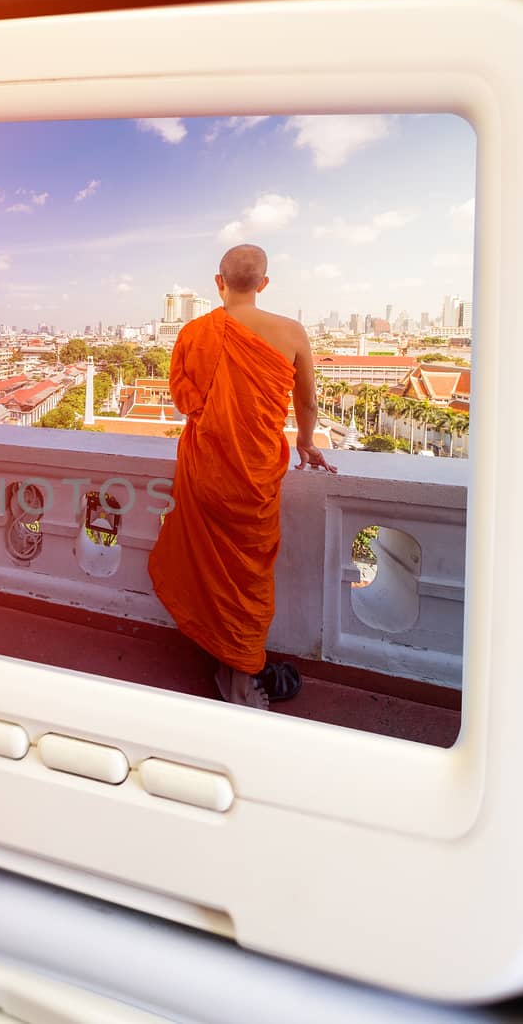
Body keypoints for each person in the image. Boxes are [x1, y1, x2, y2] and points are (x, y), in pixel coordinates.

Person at [147, 244, 336, 709]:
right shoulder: (291, 332)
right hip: (253, 478)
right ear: (264, 284)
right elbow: (307, 403)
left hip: (205, 472)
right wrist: (307, 443)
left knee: (210, 569)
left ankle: (228, 661)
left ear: (219, 282)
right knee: (247, 577)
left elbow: (184, 400)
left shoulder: (195, 332)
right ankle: (238, 671)